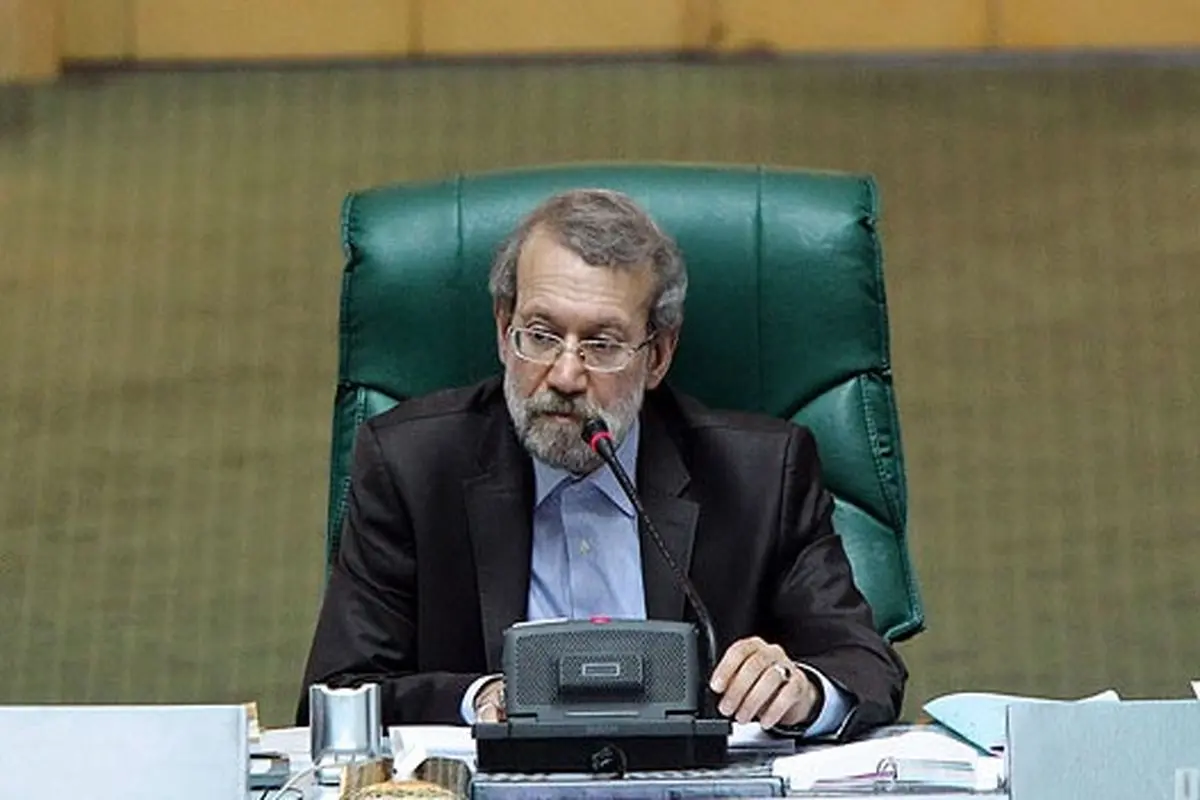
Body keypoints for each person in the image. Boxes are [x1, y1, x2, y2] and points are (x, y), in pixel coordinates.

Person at [297, 188, 906, 739]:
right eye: (540, 335)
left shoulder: (762, 476)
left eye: (602, 344)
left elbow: (864, 665)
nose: (565, 375)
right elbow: (337, 697)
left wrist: (801, 691)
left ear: (657, 356)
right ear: (504, 330)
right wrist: (478, 700)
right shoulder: (411, 467)